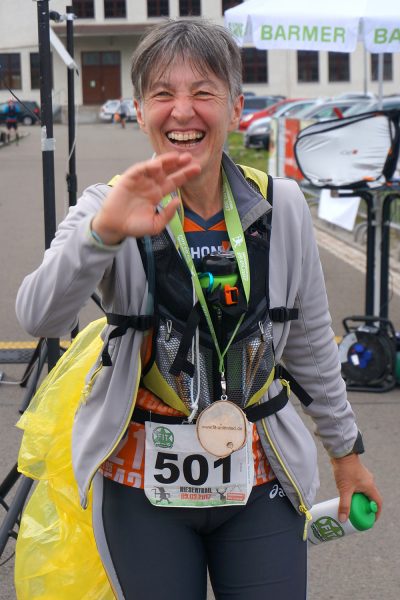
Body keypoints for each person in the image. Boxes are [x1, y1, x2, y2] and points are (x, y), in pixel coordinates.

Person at [16, 18, 382, 600]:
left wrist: (347, 454)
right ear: (140, 111)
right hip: (142, 483)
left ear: (235, 107)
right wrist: (103, 235)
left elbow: (311, 345)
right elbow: (37, 315)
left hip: (259, 476)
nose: (182, 111)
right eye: (163, 94)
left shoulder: (279, 205)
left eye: (203, 93)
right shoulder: (106, 205)